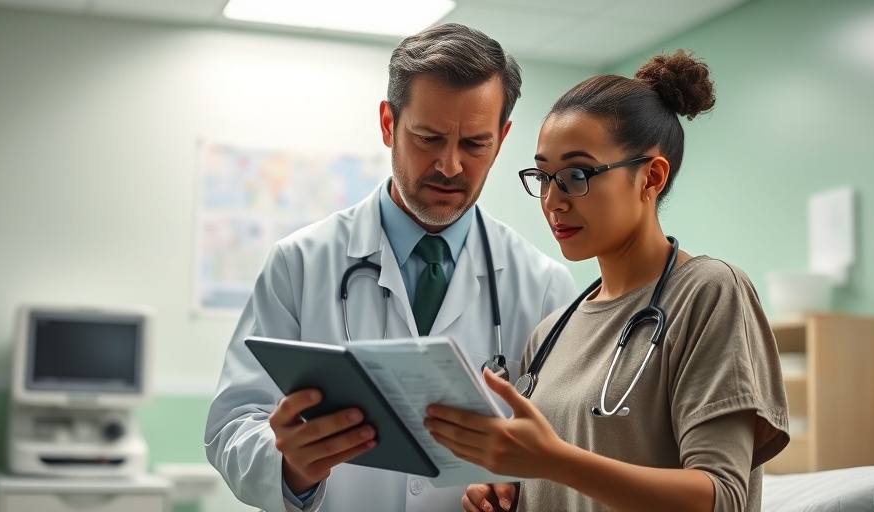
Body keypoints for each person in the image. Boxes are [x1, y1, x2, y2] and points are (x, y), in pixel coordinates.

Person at [204, 23, 578, 512]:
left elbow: (561, 454)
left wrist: (516, 490)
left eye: (474, 145)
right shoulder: (298, 264)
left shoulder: (545, 286)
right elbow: (231, 424)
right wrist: (290, 466)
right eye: (428, 138)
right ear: (388, 124)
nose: (449, 165)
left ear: (503, 138)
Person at [424, 50, 790, 512]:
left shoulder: (709, 293)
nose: (553, 201)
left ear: (651, 177)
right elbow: (562, 478)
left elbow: (721, 498)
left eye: (577, 175)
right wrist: (510, 493)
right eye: (544, 176)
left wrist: (556, 463)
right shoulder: (550, 332)